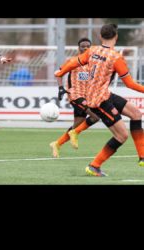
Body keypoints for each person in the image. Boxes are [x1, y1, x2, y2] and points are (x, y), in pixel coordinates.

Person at [54, 23, 144, 177]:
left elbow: (73, 62)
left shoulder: (92, 50)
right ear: (116, 37)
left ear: (101, 36)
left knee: (136, 114)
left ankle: (142, 156)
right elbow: (129, 84)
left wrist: (60, 72)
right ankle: (94, 166)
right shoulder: (116, 57)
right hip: (99, 101)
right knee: (121, 136)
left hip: (102, 95)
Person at [50, 38, 99, 158]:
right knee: (95, 116)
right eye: (83, 46)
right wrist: (61, 88)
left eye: (88, 46)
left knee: (77, 124)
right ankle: (74, 133)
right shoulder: (73, 61)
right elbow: (58, 73)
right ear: (79, 48)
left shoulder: (94, 64)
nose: (86, 48)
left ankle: (57, 144)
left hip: (88, 97)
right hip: (75, 95)